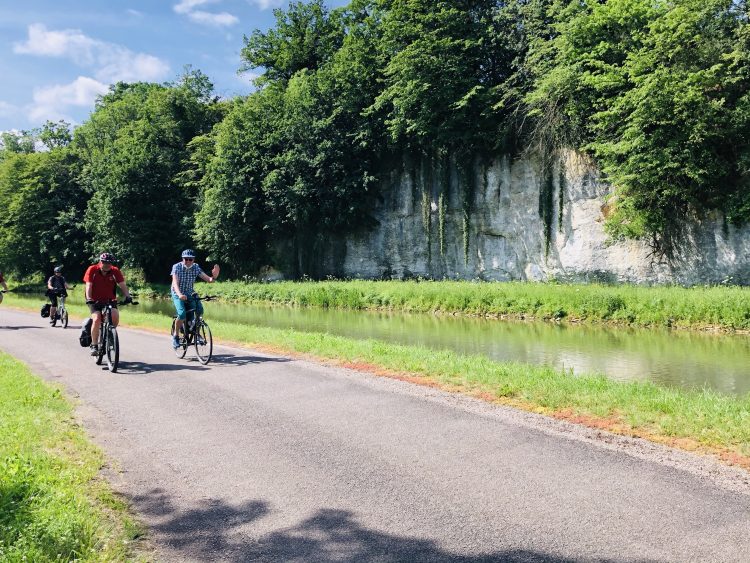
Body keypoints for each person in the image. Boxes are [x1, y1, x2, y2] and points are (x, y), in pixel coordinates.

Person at [83, 252, 133, 356]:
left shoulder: (115, 271)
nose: (107, 265)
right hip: (94, 300)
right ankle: (94, 345)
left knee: (114, 316)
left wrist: (128, 296)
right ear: (100, 262)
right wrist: (89, 298)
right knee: (96, 319)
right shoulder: (92, 269)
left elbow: (122, 285)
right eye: (105, 262)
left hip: (110, 299)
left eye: (109, 263)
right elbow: (89, 285)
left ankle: (110, 335)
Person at [171, 249, 219, 348]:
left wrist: (214, 277)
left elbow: (209, 280)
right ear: (182, 259)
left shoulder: (196, 267)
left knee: (199, 310)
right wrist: (180, 294)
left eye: (190, 259)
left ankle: (196, 332)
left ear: (193, 260)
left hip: (189, 292)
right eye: (186, 259)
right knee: (182, 313)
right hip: (177, 292)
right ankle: (176, 336)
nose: (188, 261)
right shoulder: (177, 267)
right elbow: (175, 283)